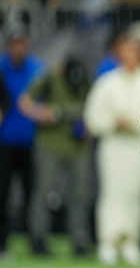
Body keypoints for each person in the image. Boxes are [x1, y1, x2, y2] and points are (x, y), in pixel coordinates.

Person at [84, 30, 140, 266]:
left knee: (136, 195)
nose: (129, 55)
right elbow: (92, 117)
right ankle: (108, 243)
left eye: (134, 50)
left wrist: (134, 123)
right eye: (125, 50)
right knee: (111, 194)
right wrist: (112, 123)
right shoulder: (107, 82)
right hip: (113, 145)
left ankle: (130, 243)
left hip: (139, 145)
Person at [19, 55, 91, 256]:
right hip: (49, 144)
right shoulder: (50, 78)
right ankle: (38, 239)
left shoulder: (85, 80)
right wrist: (43, 114)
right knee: (43, 193)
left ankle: (79, 240)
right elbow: (24, 102)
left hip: (78, 146)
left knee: (80, 194)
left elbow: (92, 106)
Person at [0, 24, 42, 256]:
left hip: (31, 141)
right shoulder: (1, 67)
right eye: (15, 44)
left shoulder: (37, 69)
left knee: (32, 194)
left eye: (22, 43)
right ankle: (2, 243)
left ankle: (34, 241)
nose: (19, 48)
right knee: (2, 193)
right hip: (4, 141)